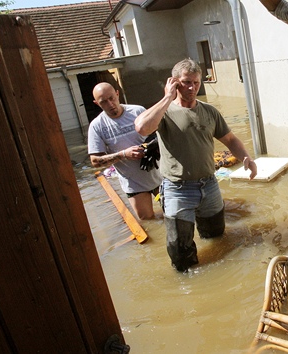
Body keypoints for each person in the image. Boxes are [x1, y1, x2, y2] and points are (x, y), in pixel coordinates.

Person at [135, 58, 257, 272]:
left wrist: (246, 157)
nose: (191, 88)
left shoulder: (209, 112)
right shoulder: (164, 112)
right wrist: (167, 97)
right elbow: (142, 128)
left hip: (209, 186)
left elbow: (230, 140)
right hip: (177, 190)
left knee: (217, 239)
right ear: (174, 82)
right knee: (180, 253)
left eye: (196, 83)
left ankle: (220, 276)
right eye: (186, 82)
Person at [87, 82, 163, 220]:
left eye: (112, 98)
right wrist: (123, 154)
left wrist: (152, 147)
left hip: (159, 174)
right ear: (97, 103)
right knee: (148, 220)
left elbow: (162, 134)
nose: (110, 104)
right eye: (103, 102)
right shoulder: (97, 126)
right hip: (133, 183)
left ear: (117, 93)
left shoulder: (138, 111)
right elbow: (95, 162)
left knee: (174, 215)